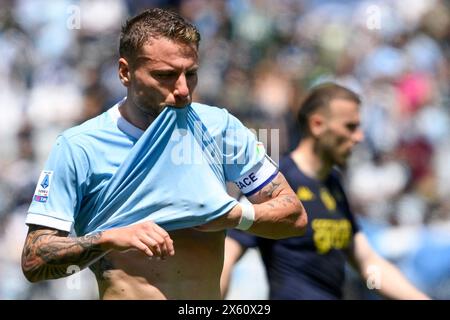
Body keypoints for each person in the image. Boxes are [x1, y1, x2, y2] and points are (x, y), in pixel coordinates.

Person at [20, 8, 308, 300]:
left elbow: (294, 216)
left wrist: (233, 215)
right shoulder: (79, 146)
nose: (183, 90)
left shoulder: (220, 128)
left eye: (191, 74)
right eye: (165, 76)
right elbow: (34, 261)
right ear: (125, 72)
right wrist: (109, 238)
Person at [222, 83, 430, 300]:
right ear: (317, 125)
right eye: (350, 127)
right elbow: (227, 256)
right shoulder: (273, 181)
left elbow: (368, 264)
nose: (359, 137)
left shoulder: (333, 184)